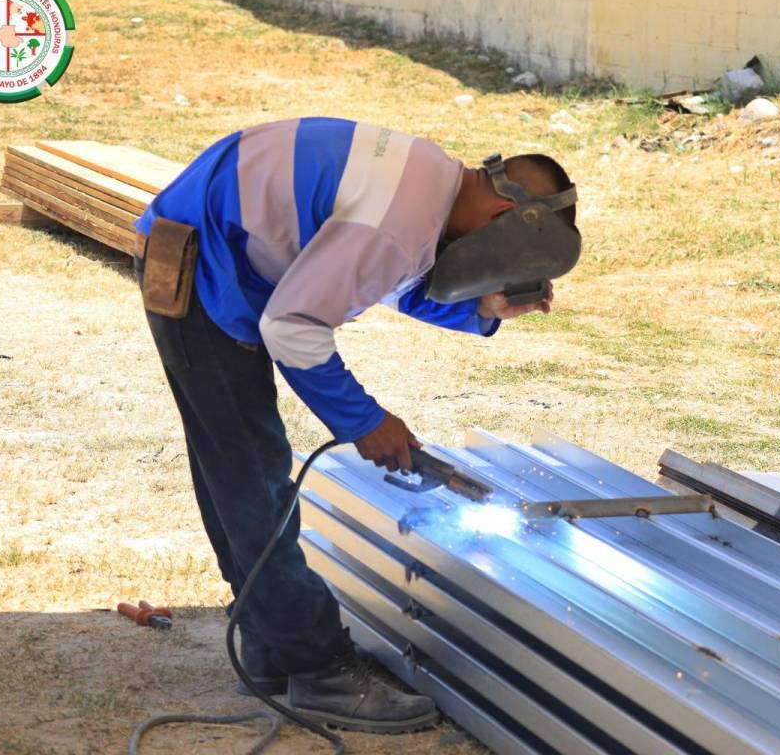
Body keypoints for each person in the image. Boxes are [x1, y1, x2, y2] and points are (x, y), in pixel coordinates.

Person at [131, 117, 577, 733]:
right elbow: (293, 326)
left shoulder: (431, 181)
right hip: (201, 259)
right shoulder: (400, 221)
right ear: (506, 212)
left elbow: (381, 277)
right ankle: (317, 670)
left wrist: (479, 308)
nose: (495, 266)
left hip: (216, 244)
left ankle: (270, 647)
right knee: (250, 477)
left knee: (240, 473)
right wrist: (366, 421)